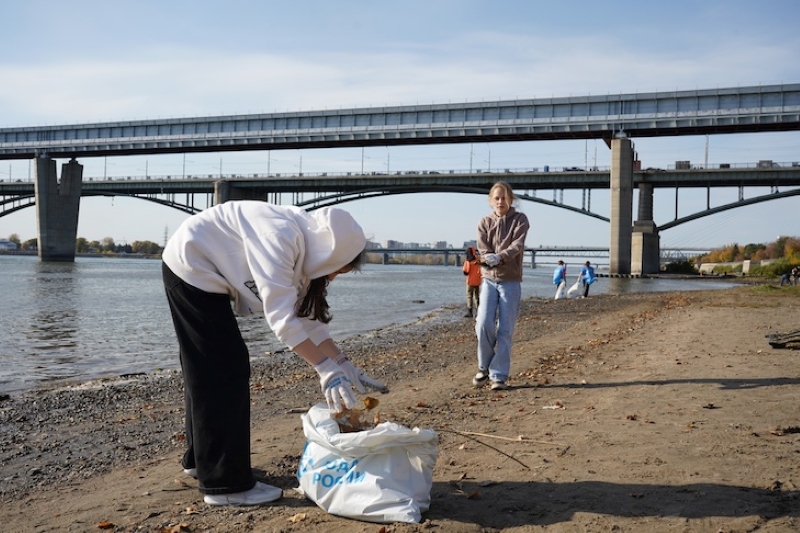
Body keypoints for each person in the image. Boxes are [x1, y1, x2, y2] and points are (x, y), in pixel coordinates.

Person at [161, 201, 387, 507]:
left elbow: (310, 324)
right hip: (191, 264)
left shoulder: (311, 256)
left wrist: (343, 363)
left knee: (207, 368)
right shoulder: (281, 236)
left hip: (205, 270)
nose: (333, 278)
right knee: (224, 369)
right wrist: (324, 369)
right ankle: (225, 485)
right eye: (338, 270)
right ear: (332, 255)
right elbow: (281, 319)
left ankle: (201, 461)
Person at [473, 182, 530, 391]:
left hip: (511, 281)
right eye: (496, 198)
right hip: (488, 279)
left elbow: (517, 245)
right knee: (483, 323)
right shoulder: (484, 222)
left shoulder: (520, 220)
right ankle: (484, 366)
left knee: (505, 329)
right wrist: (489, 257)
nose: (500, 202)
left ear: (511, 199)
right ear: (490, 201)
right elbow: (482, 246)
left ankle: (498, 375)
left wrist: (500, 257)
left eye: (504, 198)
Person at [462, 245, 482, 317]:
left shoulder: (468, 261)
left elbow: (465, 272)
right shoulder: (478, 260)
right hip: (477, 281)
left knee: (469, 296)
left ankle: (470, 311)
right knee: (477, 296)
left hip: (470, 281)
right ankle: (479, 311)